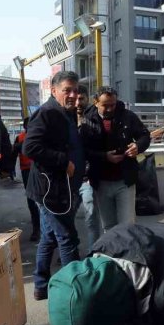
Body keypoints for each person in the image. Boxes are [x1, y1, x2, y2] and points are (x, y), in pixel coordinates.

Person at [23, 71, 84, 301]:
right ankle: (75, 292)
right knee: (67, 237)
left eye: (75, 90)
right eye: (67, 90)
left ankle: (40, 285)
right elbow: (30, 147)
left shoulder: (66, 113)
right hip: (50, 191)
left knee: (49, 237)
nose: (73, 95)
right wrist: (63, 161)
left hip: (61, 188)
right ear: (54, 90)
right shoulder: (47, 113)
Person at [80, 86, 150, 232]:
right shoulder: (86, 121)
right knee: (108, 226)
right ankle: (113, 248)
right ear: (95, 102)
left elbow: (145, 135)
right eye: (105, 105)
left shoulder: (128, 116)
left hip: (125, 180)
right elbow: (83, 151)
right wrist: (104, 157)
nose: (110, 109)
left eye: (113, 104)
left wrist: (137, 146)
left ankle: (128, 248)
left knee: (128, 225)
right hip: (101, 181)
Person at [76, 86, 102, 250]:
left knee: (91, 218)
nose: (78, 102)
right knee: (65, 220)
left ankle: (94, 252)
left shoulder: (94, 119)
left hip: (88, 179)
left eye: (81, 98)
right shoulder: (63, 118)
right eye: (76, 99)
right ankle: (68, 250)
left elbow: (98, 145)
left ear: (88, 99)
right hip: (69, 178)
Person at [13, 117, 40, 241]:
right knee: (32, 199)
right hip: (27, 171)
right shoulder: (20, 138)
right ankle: (37, 228)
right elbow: (13, 153)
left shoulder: (40, 136)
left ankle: (39, 228)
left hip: (39, 170)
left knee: (38, 200)